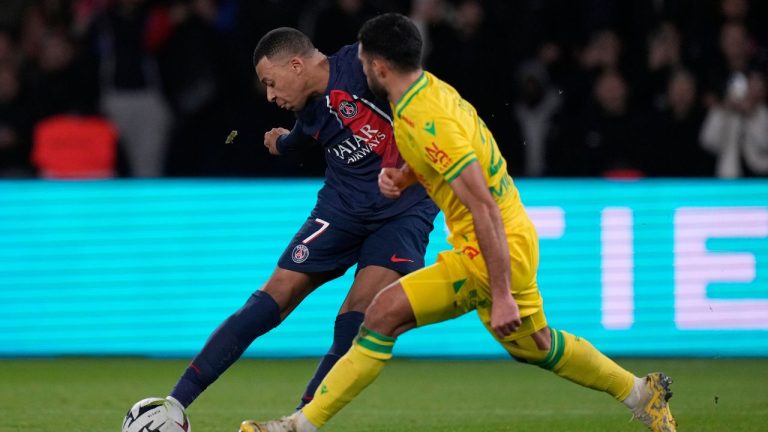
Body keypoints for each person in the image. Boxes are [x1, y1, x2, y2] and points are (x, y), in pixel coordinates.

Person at [241, 13, 677, 432]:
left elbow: (482, 205)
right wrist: (407, 175)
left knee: (381, 315)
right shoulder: (423, 95)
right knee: (535, 344)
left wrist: (502, 294)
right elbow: (445, 161)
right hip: (512, 238)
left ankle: (299, 425)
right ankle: (639, 392)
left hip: (488, 251)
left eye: (360, 60)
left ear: (378, 65)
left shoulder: (424, 120)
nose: (353, 67)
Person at [164, 27, 438, 417]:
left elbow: (417, 87)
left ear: (296, 64)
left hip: (402, 212)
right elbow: (301, 136)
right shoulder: (308, 110)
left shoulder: (364, 66)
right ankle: (174, 404)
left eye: (271, 83)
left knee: (356, 316)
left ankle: (299, 422)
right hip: (340, 210)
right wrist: (279, 143)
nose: (270, 95)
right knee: (271, 296)